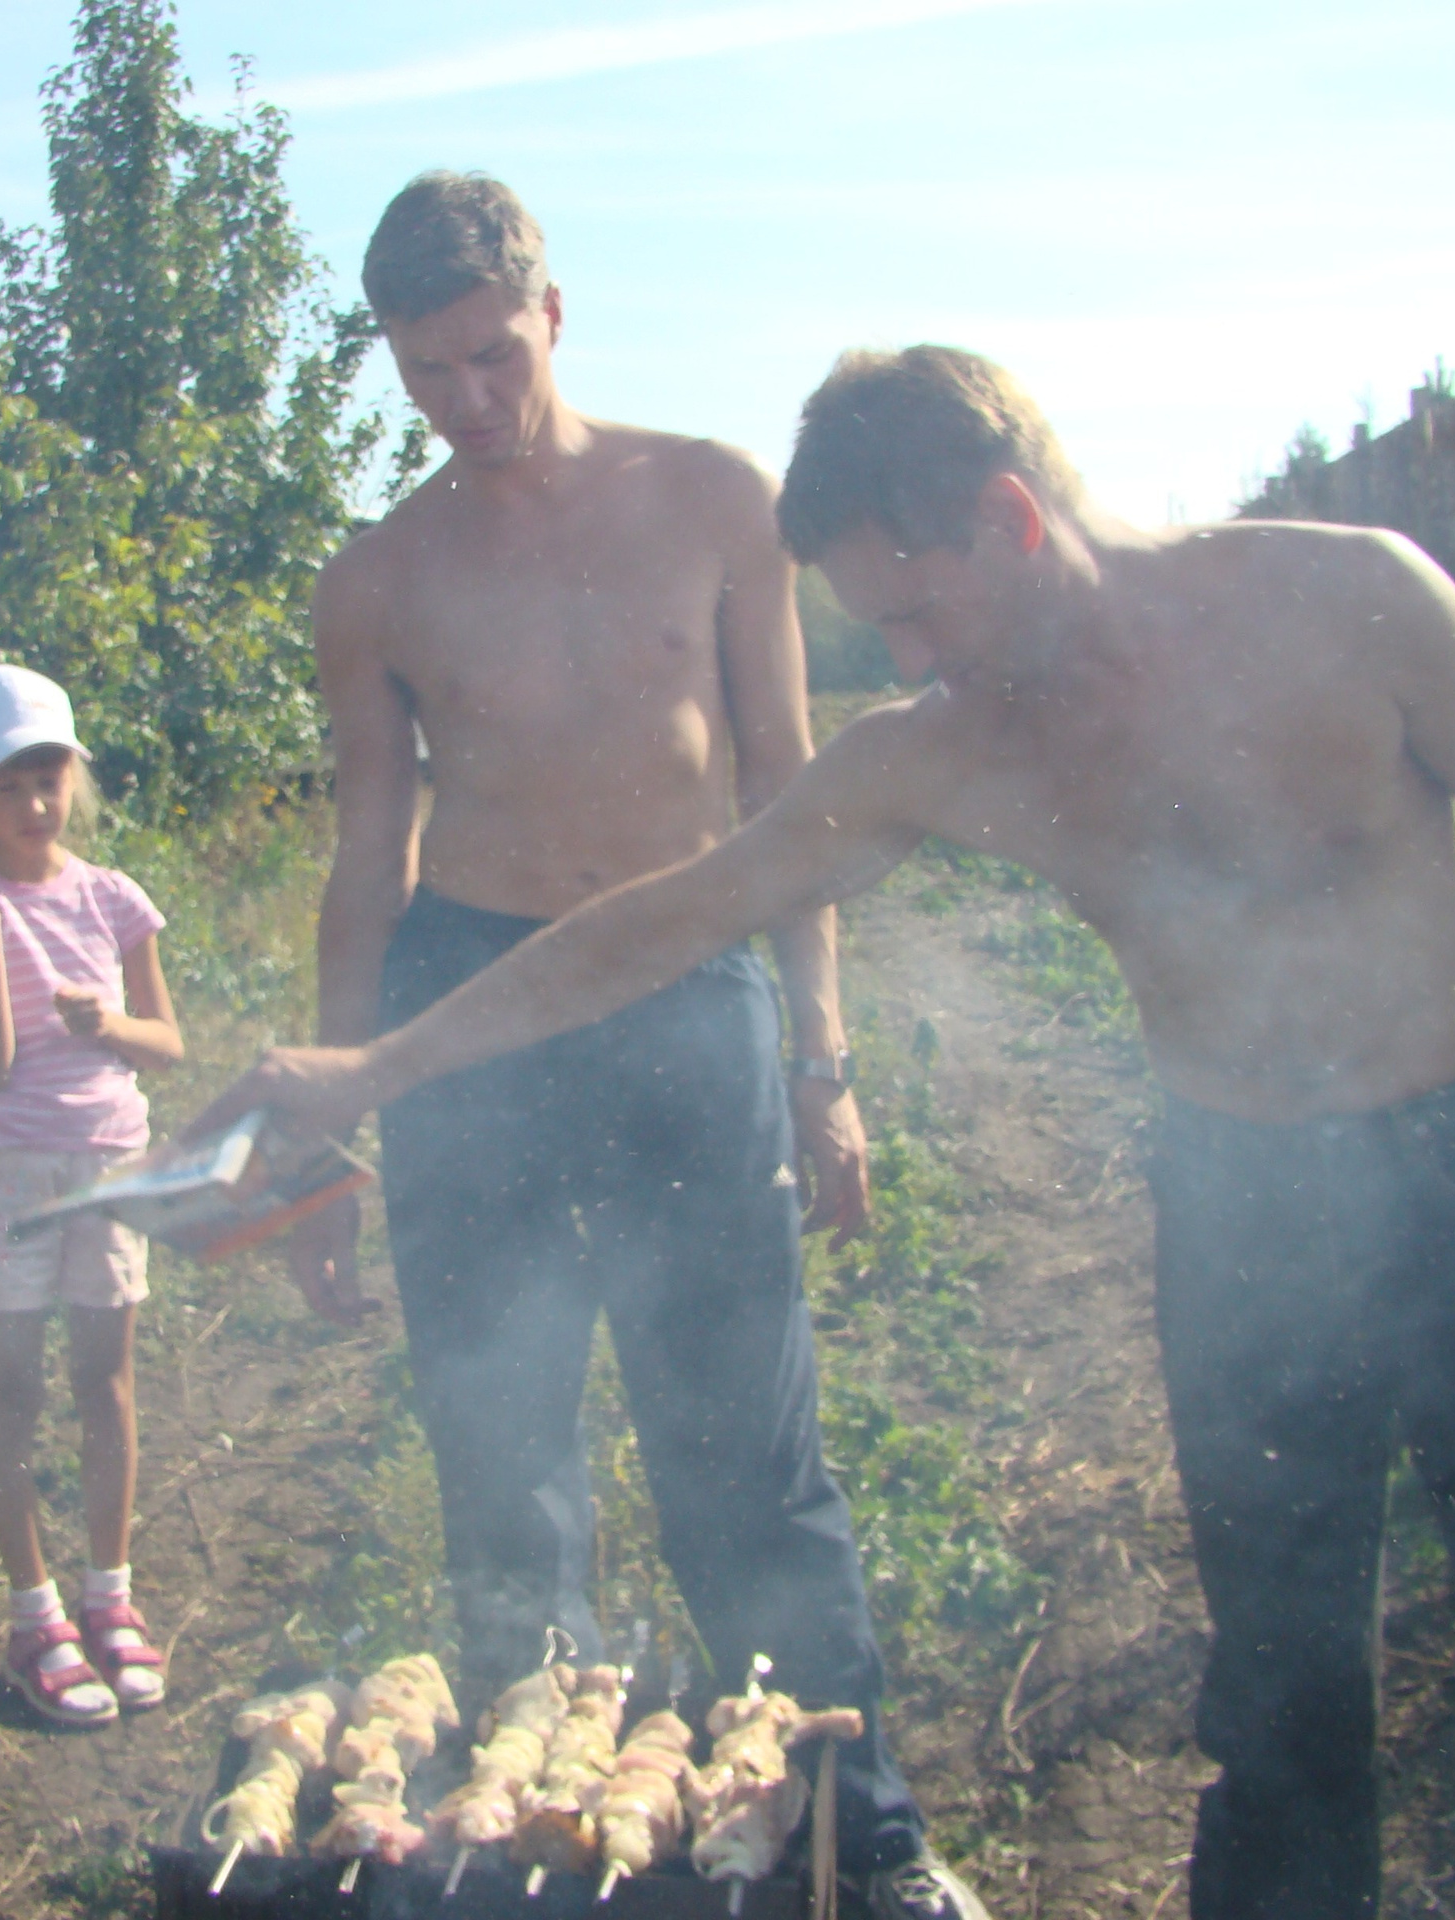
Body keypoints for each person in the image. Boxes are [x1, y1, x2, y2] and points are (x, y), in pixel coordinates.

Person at [198, 348, 1455, 1920]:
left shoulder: (1349, 601)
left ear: (1012, 518)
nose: (908, 658)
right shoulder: (945, 747)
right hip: (1246, 1216)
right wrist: (374, 1065)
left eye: (916, 614)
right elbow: (662, 923)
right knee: (1281, 1716)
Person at [289, 172, 984, 1920]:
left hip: (687, 998)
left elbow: (792, 795)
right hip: (470, 1019)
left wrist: (822, 1060)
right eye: (420, 371)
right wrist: (326, 1125)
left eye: (485, 354)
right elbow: (368, 864)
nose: (462, 400)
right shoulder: (376, 582)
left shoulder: (715, 498)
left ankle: (862, 1835)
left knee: (744, 1450)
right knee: (503, 1452)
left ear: (550, 308)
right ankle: (545, 1844)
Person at [0, 663, 182, 1727]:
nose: (32, 808)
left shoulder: (114, 898)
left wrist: (106, 1026)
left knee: (104, 1383)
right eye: (6, 789)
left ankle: (109, 1597)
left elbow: (166, 1043)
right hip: (8, 1180)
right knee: (13, 1391)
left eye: (47, 781)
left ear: (75, 778)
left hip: (108, 1169)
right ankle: (35, 1617)